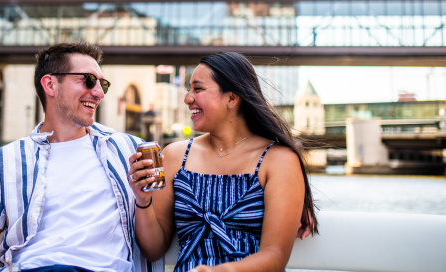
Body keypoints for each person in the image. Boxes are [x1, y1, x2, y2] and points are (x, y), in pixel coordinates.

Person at [0, 42, 162, 272]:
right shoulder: (3, 161)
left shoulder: (130, 150)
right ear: (50, 84)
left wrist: (143, 200)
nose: (99, 92)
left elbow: (154, 251)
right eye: (87, 80)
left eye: (102, 83)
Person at [129, 52, 318, 272]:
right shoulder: (174, 156)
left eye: (198, 89)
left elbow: (274, 257)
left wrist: (218, 271)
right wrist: (142, 200)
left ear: (231, 98)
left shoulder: (279, 160)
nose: (188, 98)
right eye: (189, 89)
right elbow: (153, 250)